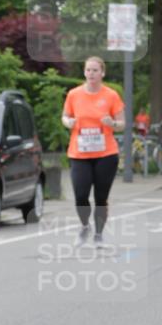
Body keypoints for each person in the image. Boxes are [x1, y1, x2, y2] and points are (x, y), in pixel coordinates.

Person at [61, 56, 125, 248]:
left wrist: (112, 123)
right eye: (88, 70)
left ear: (102, 73)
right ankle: (84, 226)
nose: (91, 73)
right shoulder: (74, 94)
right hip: (79, 153)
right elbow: (65, 115)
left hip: (106, 154)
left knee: (100, 197)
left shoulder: (111, 95)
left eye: (95, 70)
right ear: (84, 72)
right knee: (80, 194)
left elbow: (122, 123)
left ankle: (98, 234)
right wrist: (68, 122)